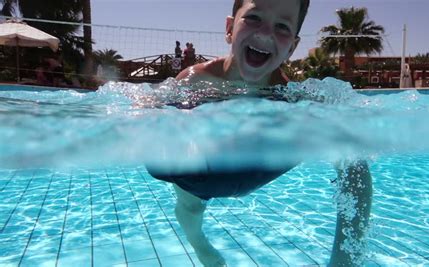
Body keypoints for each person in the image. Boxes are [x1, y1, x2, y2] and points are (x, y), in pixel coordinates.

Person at [147, 0, 373, 266]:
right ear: (230, 28)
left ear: (292, 47)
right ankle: (200, 245)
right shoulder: (194, 79)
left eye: (282, 26)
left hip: (256, 171)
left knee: (351, 160)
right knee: (190, 208)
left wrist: (343, 260)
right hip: (201, 178)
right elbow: (153, 109)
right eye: (254, 18)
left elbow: (354, 168)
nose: (265, 34)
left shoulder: (294, 101)